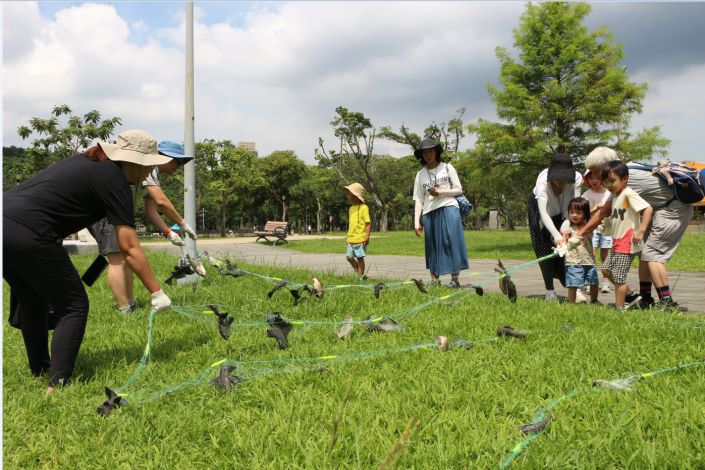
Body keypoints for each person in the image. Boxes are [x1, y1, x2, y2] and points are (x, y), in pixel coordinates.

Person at [3, 130, 173, 395]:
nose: (152, 167)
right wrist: (156, 291)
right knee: (73, 305)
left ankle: (39, 372)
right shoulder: (114, 179)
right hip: (31, 232)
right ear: (136, 160)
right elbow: (128, 246)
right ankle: (56, 386)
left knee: (33, 301)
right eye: (151, 162)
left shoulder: (89, 162)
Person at [572, 146, 693, 309]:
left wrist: (579, 234)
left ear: (608, 166)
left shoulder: (624, 179)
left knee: (652, 254)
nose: (593, 175)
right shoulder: (617, 178)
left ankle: (667, 303)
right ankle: (645, 299)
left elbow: (604, 212)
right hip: (659, 207)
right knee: (644, 253)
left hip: (675, 207)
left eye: (595, 170)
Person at [86, 140, 197, 313]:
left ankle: (131, 303)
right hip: (104, 211)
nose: (180, 165)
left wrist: (168, 232)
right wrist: (182, 222)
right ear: (164, 157)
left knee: (127, 260)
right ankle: (123, 308)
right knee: (117, 259)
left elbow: (151, 210)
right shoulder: (150, 168)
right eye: (178, 160)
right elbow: (161, 201)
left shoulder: (153, 175)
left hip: (117, 212)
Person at [595, 160, 653, 310]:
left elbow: (648, 209)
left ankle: (620, 306)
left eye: (612, 181)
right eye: (606, 182)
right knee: (606, 270)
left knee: (619, 277)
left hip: (626, 243)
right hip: (617, 242)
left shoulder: (628, 193)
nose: (608, 185)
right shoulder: (616, 196)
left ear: (625, 179)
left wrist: (641, 231)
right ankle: (631, 296)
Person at [412, 138, 469, 287]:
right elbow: (419, 199)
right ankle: (434, 279)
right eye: (425, 153)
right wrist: (416, 222)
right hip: (429, 211)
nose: (428, 155)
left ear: (436, 151)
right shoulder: (420, 174)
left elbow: (459, 189)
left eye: (430, 151)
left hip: (449, 207)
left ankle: (454, 280)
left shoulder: (448, 168)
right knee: (432, 245)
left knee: (451, 242)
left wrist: (441, 192)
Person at [527, 154, 583, 301]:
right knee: (544, 245)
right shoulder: (542, 181)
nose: (561, 181)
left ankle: (572, 286)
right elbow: (543, 212)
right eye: (558, 177)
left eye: (565, 178)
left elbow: (575, 207)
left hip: (565, 212)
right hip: (540, 209)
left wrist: (565, 227)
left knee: (566, 248)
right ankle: (550, 290)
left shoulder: (577, 178)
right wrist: (556, 234)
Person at [560, 197, 599, 304]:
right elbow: (562, 237)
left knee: (594, 282)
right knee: (573, 284)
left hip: (589, 260)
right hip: (573, 261)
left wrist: (596, 210)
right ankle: (571, 303)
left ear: (585, 214)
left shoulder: (588, 226)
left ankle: (594, 301)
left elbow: (597, 220)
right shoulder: (567, 228)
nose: (574, 215)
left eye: (578, 212)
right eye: (571, 212)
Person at [581, 169, 613, 295]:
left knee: (604, 255)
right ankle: (590, 282)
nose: (594, 181)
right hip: (592, 228)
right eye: (591, 178)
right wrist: (596, 211)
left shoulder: (609, 193)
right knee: (591, 254)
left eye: (597, 178)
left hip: (606, 228)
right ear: (587, 180)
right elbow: (583, 213)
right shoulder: (586, 195)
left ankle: (606, 281)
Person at [343, 183, 371, 281]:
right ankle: (361, 274)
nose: (348, 196)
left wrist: (367, 237)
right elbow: (351, 224)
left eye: (349, 194)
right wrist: (347, 237)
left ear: (356, 195)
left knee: (360, 258)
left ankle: (360, 277)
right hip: (351, 238)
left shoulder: (364, 208)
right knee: (349, 258)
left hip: (360, 238)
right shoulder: (351, 209)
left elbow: (368, 223)